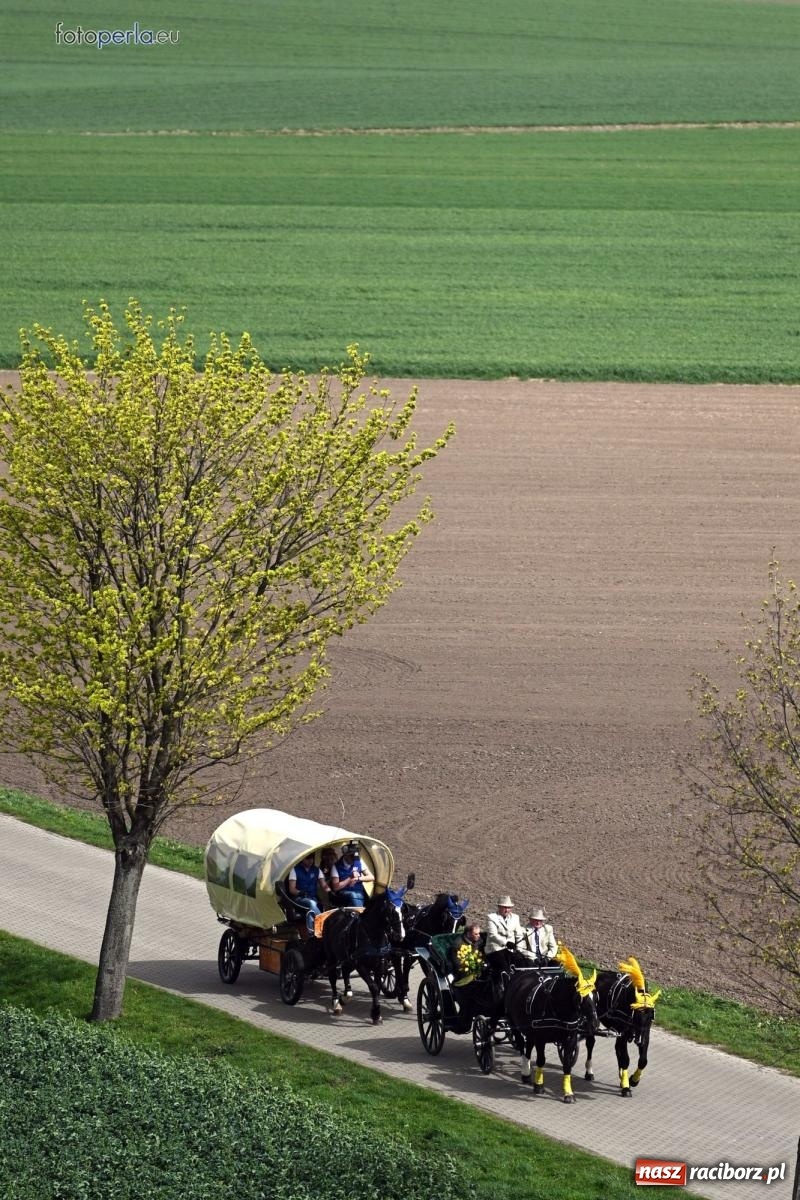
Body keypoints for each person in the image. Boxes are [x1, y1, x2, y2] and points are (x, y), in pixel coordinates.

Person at [287, 851, 329, 933]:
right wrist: (300, 892)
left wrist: (330, 891)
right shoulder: (294, 870)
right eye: (307, 859)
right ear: (302, 859)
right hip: (299, 898)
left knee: (310, 911)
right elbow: (292, 889)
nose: (310, 861)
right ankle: (323, 923)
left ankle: (312, 934)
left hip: (313, 898)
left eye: (312, 858)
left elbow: (324, 885)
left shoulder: (317, 870)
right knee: (312, 904)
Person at [484, 895, 524, 976]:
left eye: (509, 908)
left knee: (522, 962)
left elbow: (519, 935)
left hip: (511, 950)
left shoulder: (515, 918)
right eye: (505, 907)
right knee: (503, 966)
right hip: (495, 949)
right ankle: (503, 982)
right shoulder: (492, 917)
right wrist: (506, 943)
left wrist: (519, 949)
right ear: (499, 907)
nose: (507, 910)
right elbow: (493, 935)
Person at [330, 841, 374, 906]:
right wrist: (350, 878)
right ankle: (361, 911)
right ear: (345, 855)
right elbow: (335, 888)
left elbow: (371, 877)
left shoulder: (358, 861)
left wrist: (358, 878)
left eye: (355, 855)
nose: (354, 858)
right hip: (344, 894)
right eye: (351, 856)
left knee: (359, 896)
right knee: (353, 895)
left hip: (359, 892)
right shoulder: (336, 866)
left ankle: (361, 909)